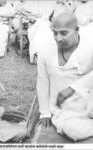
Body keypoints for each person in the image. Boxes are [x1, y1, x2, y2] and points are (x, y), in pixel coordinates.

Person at [37, 11, 93, 141]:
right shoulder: (45, 51)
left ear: (77, 30)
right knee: (73, 130)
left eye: (63, 33)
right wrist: (44, 112)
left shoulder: (89, 47)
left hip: (88, 103)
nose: (58, 38)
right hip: (65, 112)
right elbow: (42, 81)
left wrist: (72, 88)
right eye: (54, 32)